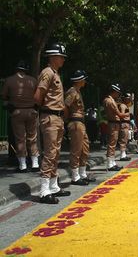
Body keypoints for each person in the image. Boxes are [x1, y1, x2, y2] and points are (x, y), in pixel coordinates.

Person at [34, 42, 70, 204]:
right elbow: (38, 96)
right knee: (49, 153)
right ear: (53, 57)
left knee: (55, 153)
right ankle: (43, 191)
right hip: (50, 117)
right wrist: (46, 111)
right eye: (61, 57)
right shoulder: (47, 73)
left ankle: (53, 186)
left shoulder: (55, 74)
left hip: (57, 118)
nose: (63, 60)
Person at [1, 60, 39, 172]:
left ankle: (22, 165)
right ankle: (35, 164)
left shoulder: (9, 80)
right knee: (32, 138)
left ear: (16, 69)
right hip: (31, 112)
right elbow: (38, 96)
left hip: (17, 112)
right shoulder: (33, 80)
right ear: (26, 70)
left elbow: (3, 96)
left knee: (20, 139)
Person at [64, 70, 95, 185]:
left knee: (85, 149)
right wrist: (67, 120)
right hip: (76, 123)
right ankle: (75, 176)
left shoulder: (78, 91)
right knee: (76, 150)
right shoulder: (72, 91)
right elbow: (65, 106)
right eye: (84, 79)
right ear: (80, 80)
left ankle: (82, 173)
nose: (85, 82)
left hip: (81, 123)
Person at [103, 83, 129, 171]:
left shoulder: (111, 100)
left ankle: (112, 162)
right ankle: (110, 164)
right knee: (112, 144)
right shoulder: (110, 101)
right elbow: (119, 114)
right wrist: (127, 114)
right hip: (113, 124)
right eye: (117, 93)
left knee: (113, 143)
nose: (118, 95)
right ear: (113, 92)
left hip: (114, 124)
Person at [118, 93, 132, 161]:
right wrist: (127, 114)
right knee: (123, 140)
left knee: (125, 139)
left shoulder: (125, 105)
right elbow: (121, 115)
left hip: (126, 124)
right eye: (128, 98)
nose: (129, 100)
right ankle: (122, 155)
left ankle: (124, 154)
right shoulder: (123, 106)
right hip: (124, 123)